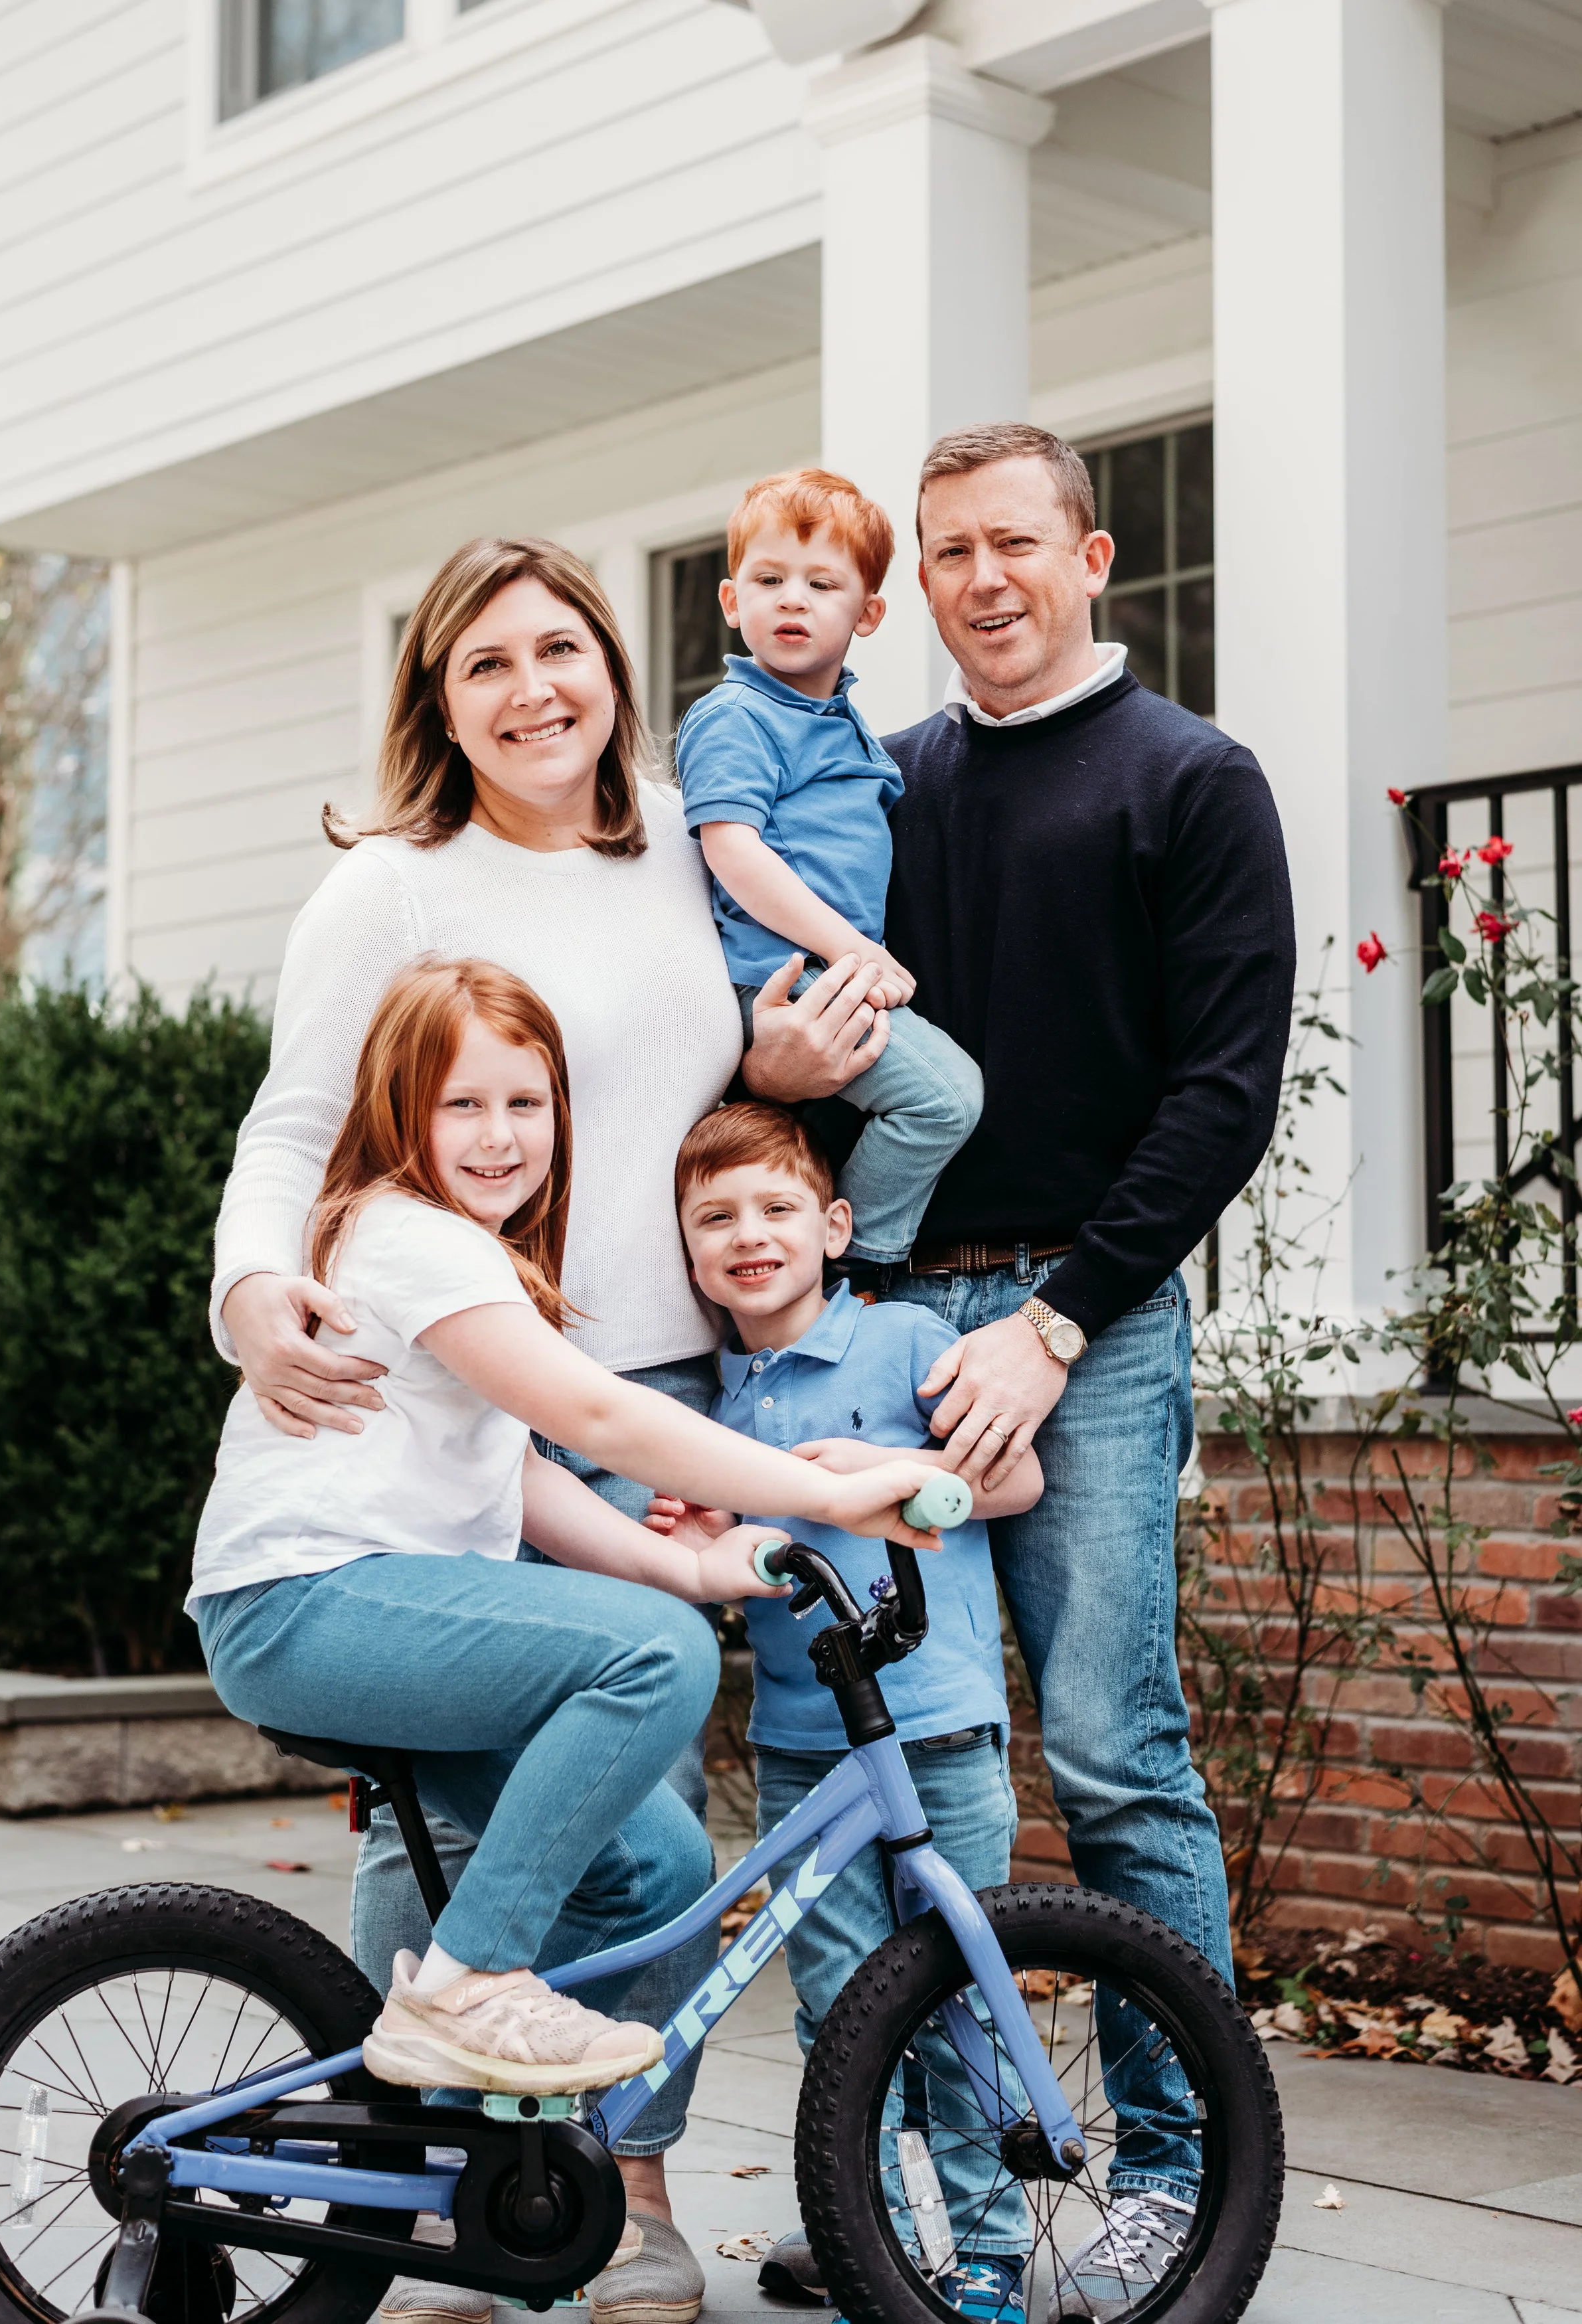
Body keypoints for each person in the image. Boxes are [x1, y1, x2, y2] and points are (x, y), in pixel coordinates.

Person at [205, 534, 902, 2324]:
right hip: (478, 1383)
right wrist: (250, 1293)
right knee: (437, 1820)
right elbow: (301, 1133)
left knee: (645, 1829)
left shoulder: (679, 837)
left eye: (560, 650)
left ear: (612, 660)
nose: (533, 691)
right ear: (439, 701)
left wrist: (792, 1071)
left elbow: (711, 1077)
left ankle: (616, 2201)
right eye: (485, 665)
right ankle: (430, 2186)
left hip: (659, 1378)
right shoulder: (391, 888)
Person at [740, 422, 1295, 2308]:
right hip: (885, 1319)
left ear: (1091, 555)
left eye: (1014, 543)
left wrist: (1058, 1326)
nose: (983, 578)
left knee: (1116, 1753)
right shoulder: (884, 782)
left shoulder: (1190, 779)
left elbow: (1221, 1096)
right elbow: (792, 1031)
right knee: (882, 1762)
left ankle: (1173, 2167)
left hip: (1085, 1319)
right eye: (952, 550)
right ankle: (915, 2199)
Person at [191, 957, 937, 2094]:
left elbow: (523, 1479)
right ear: (404, 1113)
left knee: (656, 1864)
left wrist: (678, 1564)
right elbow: (593, 1414)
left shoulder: (469, 1255)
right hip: (301, 1602)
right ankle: (466, 1988)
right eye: (463, 1105)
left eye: (525, 1103)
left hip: (359, 1604)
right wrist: (823, 1491)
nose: (500, 1136)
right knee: (653, 1655)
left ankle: (491, 2160)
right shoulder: (409, 1236)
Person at [647, 1103, 1041, 2319]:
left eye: (775, 1209)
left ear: (834, 1225)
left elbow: (1015, 1476)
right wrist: (696, 1525)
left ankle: (985, 2245)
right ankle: (858, 2219)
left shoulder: (910, 1336)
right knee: (836, 2007)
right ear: (687, 1250)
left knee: (956, 1994)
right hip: (802, 1751)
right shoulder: (704, 1407)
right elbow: (712, 1548)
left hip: (938, 1729)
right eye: (715, 1218)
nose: (747, 1236)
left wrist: (864, 1475)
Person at [676, 470, 981, 1268]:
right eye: (768, 579)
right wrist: (854, 950)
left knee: (808, 1152)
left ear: (868, 613)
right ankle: (855, 1263)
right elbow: (732, 849)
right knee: (943, 1099)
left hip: (827, 968)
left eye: (821, 583)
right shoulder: (734, 714)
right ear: (731, 600)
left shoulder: (845, 728)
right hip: (785, 977)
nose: (791, 600)